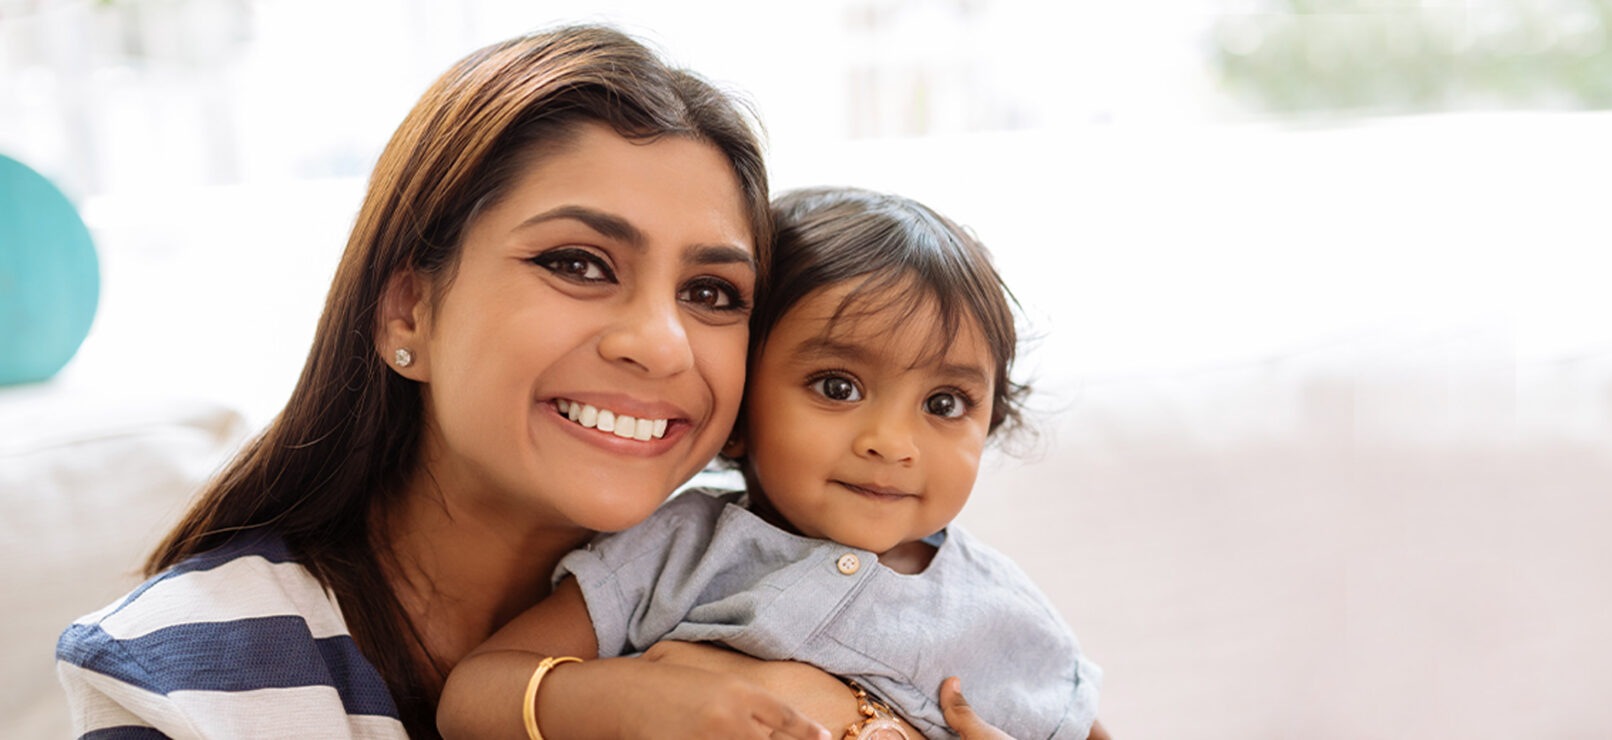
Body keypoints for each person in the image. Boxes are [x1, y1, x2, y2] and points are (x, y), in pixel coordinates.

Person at [51, 27, 1019, 740]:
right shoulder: (184, 675)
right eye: (579, 262)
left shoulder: (797, 602)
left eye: (712, 290)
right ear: (407, 313)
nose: (661, 341)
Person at [438, 187, 1105, 740]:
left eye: (944, 402)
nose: (893, 442)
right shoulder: (681, 548)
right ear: (736, 415)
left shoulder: (999, 608)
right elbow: (471, 695)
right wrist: (624, 697)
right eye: (837, 387)